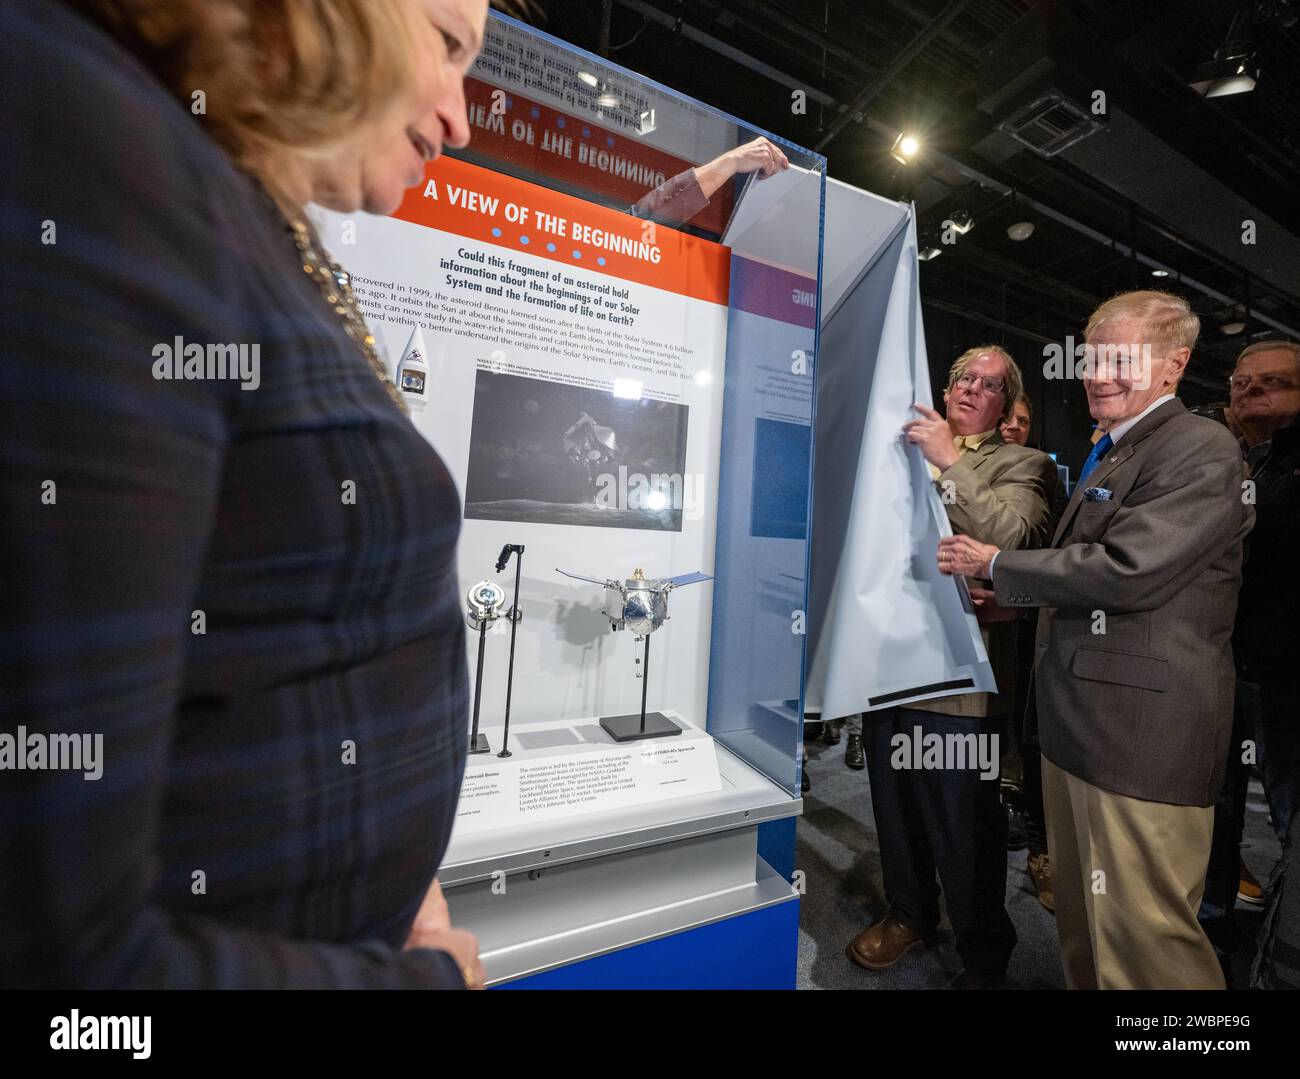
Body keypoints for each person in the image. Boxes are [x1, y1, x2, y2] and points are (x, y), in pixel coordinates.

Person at [1, 0, 496, 988]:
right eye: (448, 45)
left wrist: (398, 881)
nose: (459, 119)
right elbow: (56, 959)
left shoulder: (225, 194)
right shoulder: (100, 146)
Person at [939, 291, 1254, 990]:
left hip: (1142, 743)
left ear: (1175, 364)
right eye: (1090, 358)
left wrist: (993, 563)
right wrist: (1015, 590)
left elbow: (1127, 569)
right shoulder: (1114, 449)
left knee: (1147, 951)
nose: (1097, 372)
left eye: (1120, 358)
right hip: (1083, 731)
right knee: (1087, 933)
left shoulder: (1200, 445)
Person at [845, 346, 1056, 989]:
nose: (971, 389)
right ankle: (909, 914)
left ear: (1005, 401)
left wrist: (948, 460)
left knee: (964, 823)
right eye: (963, 377)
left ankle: (983, 954)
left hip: (961, 683)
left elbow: (1012, 538)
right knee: (896, 807)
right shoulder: (899, 447)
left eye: (988, 384)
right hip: (889, 664)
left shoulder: (1027, 462)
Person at [1200, 340, 1300, 969]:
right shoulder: (1237, 460)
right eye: (1242, 381)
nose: (1252, 389)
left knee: (1292, 822)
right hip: (1225, 668)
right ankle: (1210, 932)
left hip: (1289, 679)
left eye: (1274, 382)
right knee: (1218, 809)